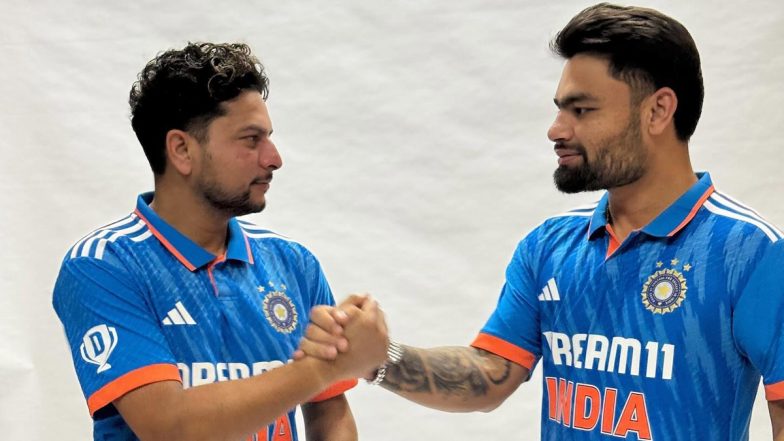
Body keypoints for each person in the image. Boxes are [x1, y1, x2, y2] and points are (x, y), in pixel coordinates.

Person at [296, 3, 784, 440]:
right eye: (560, 110)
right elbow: (490, 374)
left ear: (658, 110)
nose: (557, 130)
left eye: (582, 110)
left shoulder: (751, 251)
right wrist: (381, 360)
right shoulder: (550, 246)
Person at [52, 42, 388, 441]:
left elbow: (329, 412)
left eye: (269, 138)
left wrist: (334, 370)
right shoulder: (104, 265)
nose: (274, 158)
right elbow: (170, 426)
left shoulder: (293, 263)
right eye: (251, 139)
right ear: (181, 150)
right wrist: (321, 367)